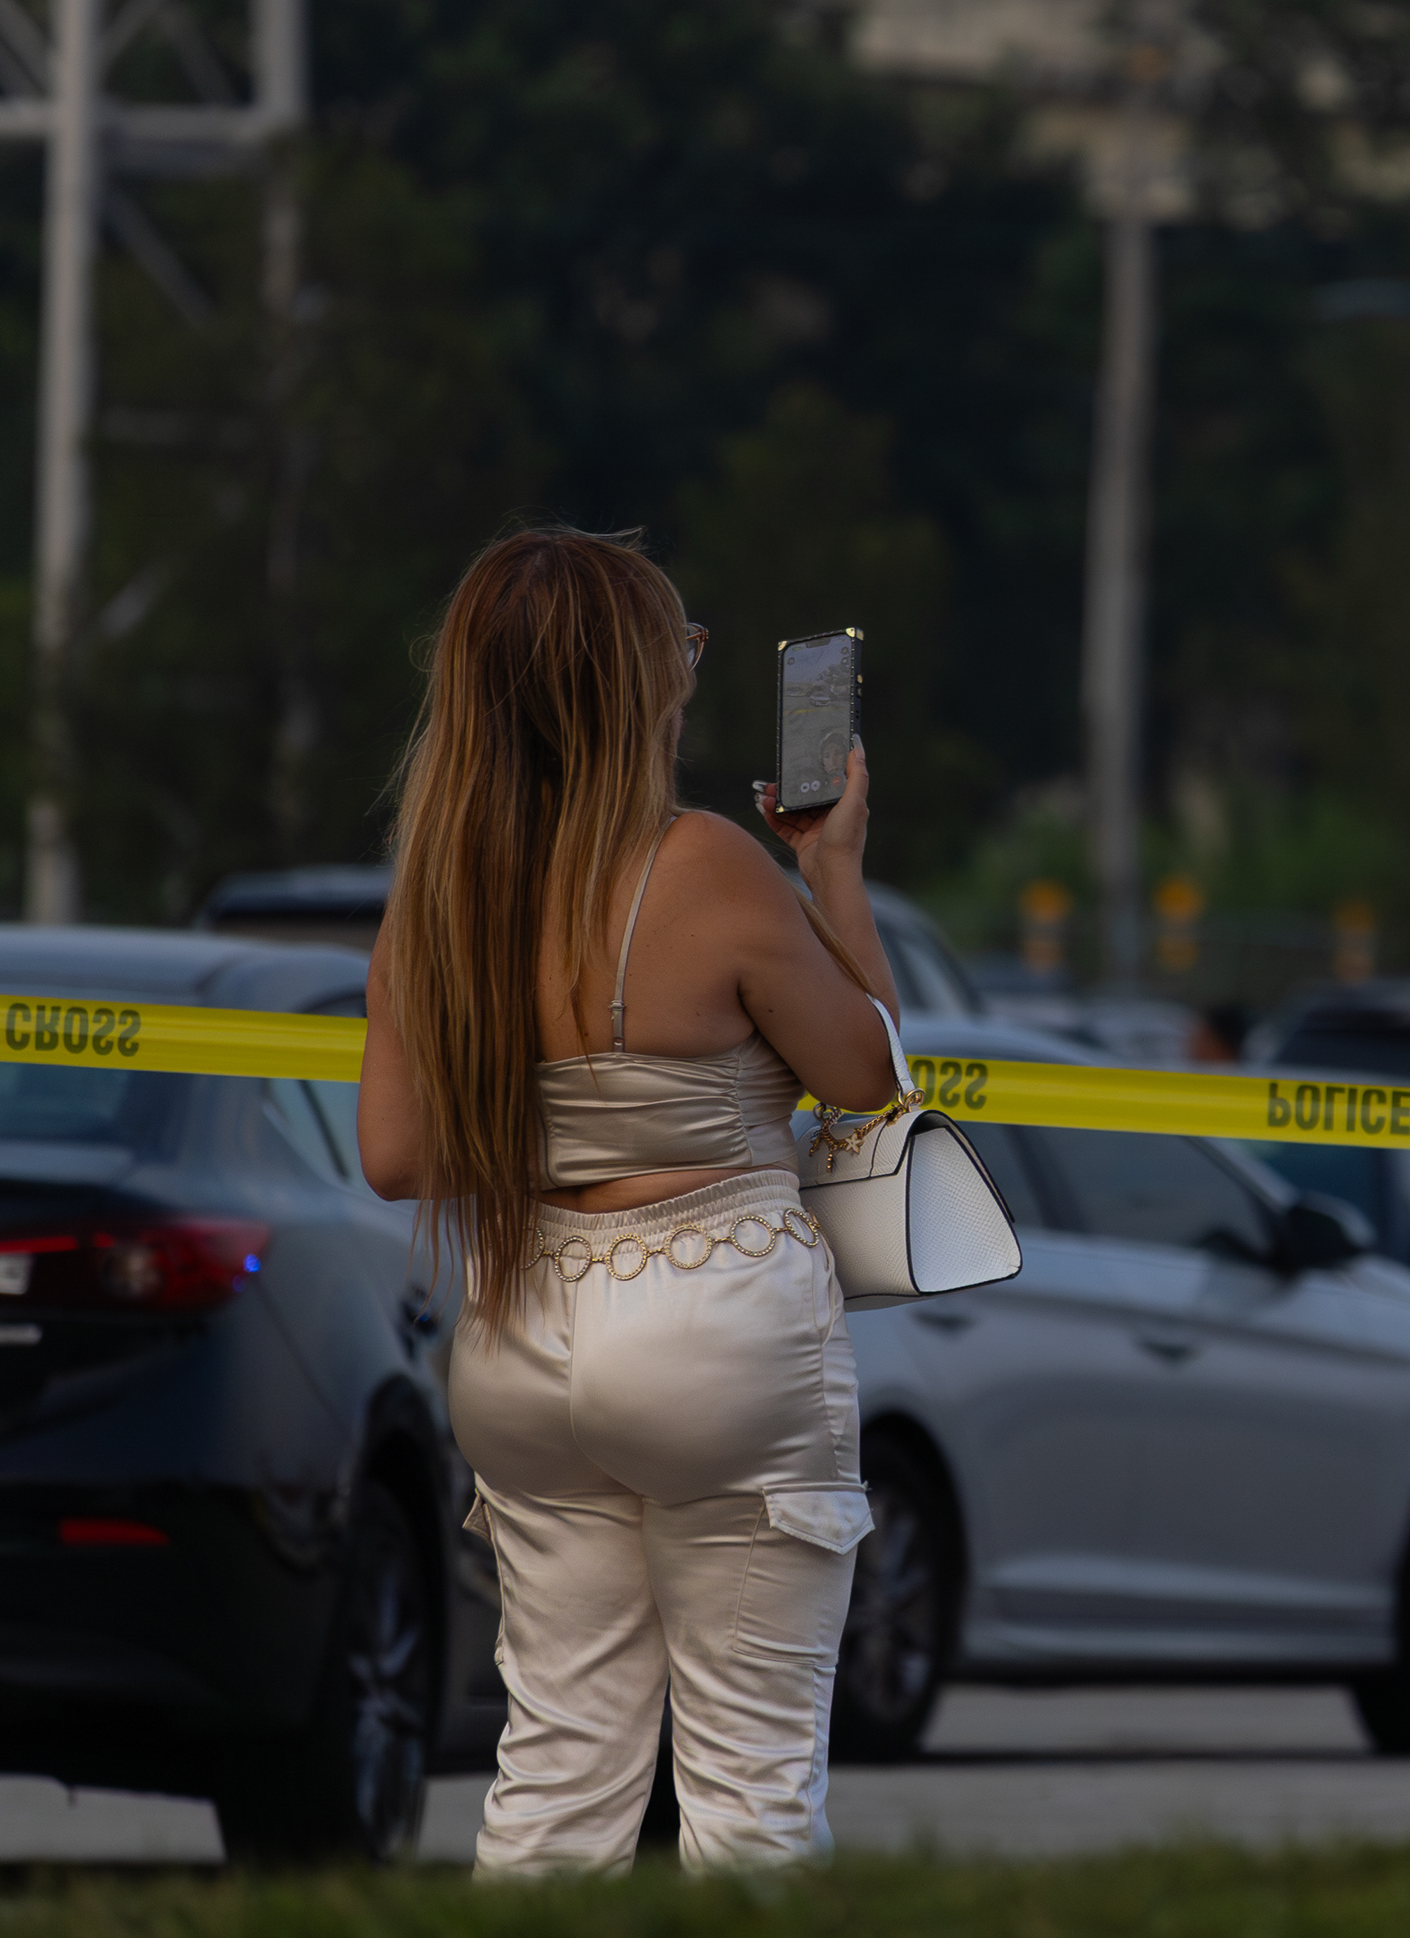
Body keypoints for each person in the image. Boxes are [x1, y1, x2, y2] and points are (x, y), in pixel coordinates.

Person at [358, 526, 903, 1873]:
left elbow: (394, 1153)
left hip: (523, 1336)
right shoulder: (708, 866)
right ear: (628, 685)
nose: (692, 680)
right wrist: (830, 872)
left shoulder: (436, 894)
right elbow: (868, 1079)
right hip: (720, 1322)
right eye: (684, 653)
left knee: (552, 1780)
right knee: (755, 1789)